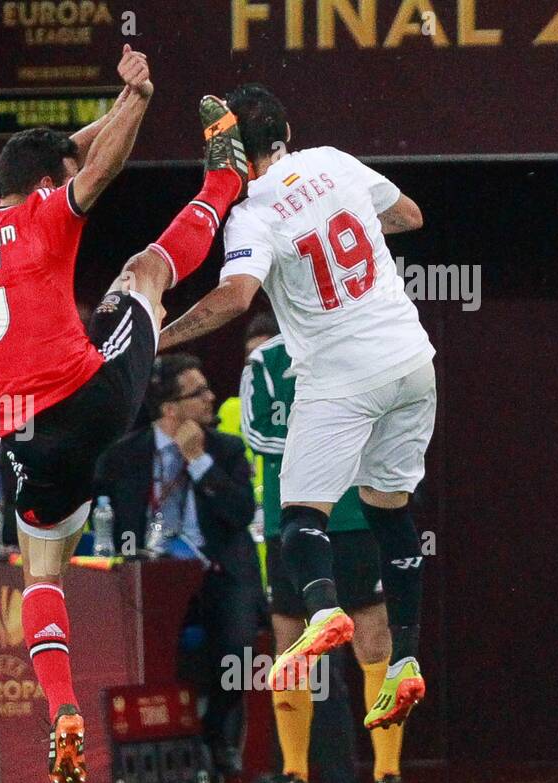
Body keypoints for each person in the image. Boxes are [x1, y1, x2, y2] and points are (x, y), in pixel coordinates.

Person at [0, 44, 250, 783]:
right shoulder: (49, 213)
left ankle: (62, 708)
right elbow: (96, 170)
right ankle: (225, 182)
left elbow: (61, 158)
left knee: (42, 567)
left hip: (25, 437)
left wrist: (106, 116)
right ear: (48, 184)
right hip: (91, 397)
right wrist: (139, 99)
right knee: (143, 270)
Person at [158, 83, 433, 731]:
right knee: (389, 510)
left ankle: (321, 610)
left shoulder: (253, 211)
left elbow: (233, 299)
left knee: (298, 513)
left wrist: (155, 339)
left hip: (342, 372)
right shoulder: (335, 160)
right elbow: (410, 216)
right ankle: (406, 661)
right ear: (287, 130)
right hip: (412, 359)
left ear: (230, 152)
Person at [243, 315, 408, 783]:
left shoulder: (363, 347)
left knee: (374, 638)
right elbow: (259, 435)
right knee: (292, 641)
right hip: (289, 520)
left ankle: (388, 775)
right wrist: (332, 439)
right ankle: (295, 774)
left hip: (356, 516)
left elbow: (389, 424)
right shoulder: (265, 362)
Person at [94, 355, 262, 777]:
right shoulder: (123, 456)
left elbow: (241, 513)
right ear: (170, 408)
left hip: (216, 573)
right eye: (198, 393)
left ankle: (215, 734)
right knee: (138, 641)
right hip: (148, 576)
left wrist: (199, 463)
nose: (212, 398)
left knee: (238, 647)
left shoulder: (225, 450)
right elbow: (99, 514)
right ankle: (146, 745)